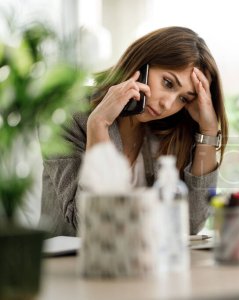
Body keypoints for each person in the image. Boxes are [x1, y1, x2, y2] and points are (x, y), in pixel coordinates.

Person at [40, 26, 228, 237]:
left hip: (140, 265)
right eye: (167, 83)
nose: (168, 104)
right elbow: (89, 226)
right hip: (67, 265)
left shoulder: (165, 131)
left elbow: (190, 224)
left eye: (183, 98)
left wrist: (209, 130)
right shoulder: (67, 113)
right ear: (142, 63)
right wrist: (99, 124)